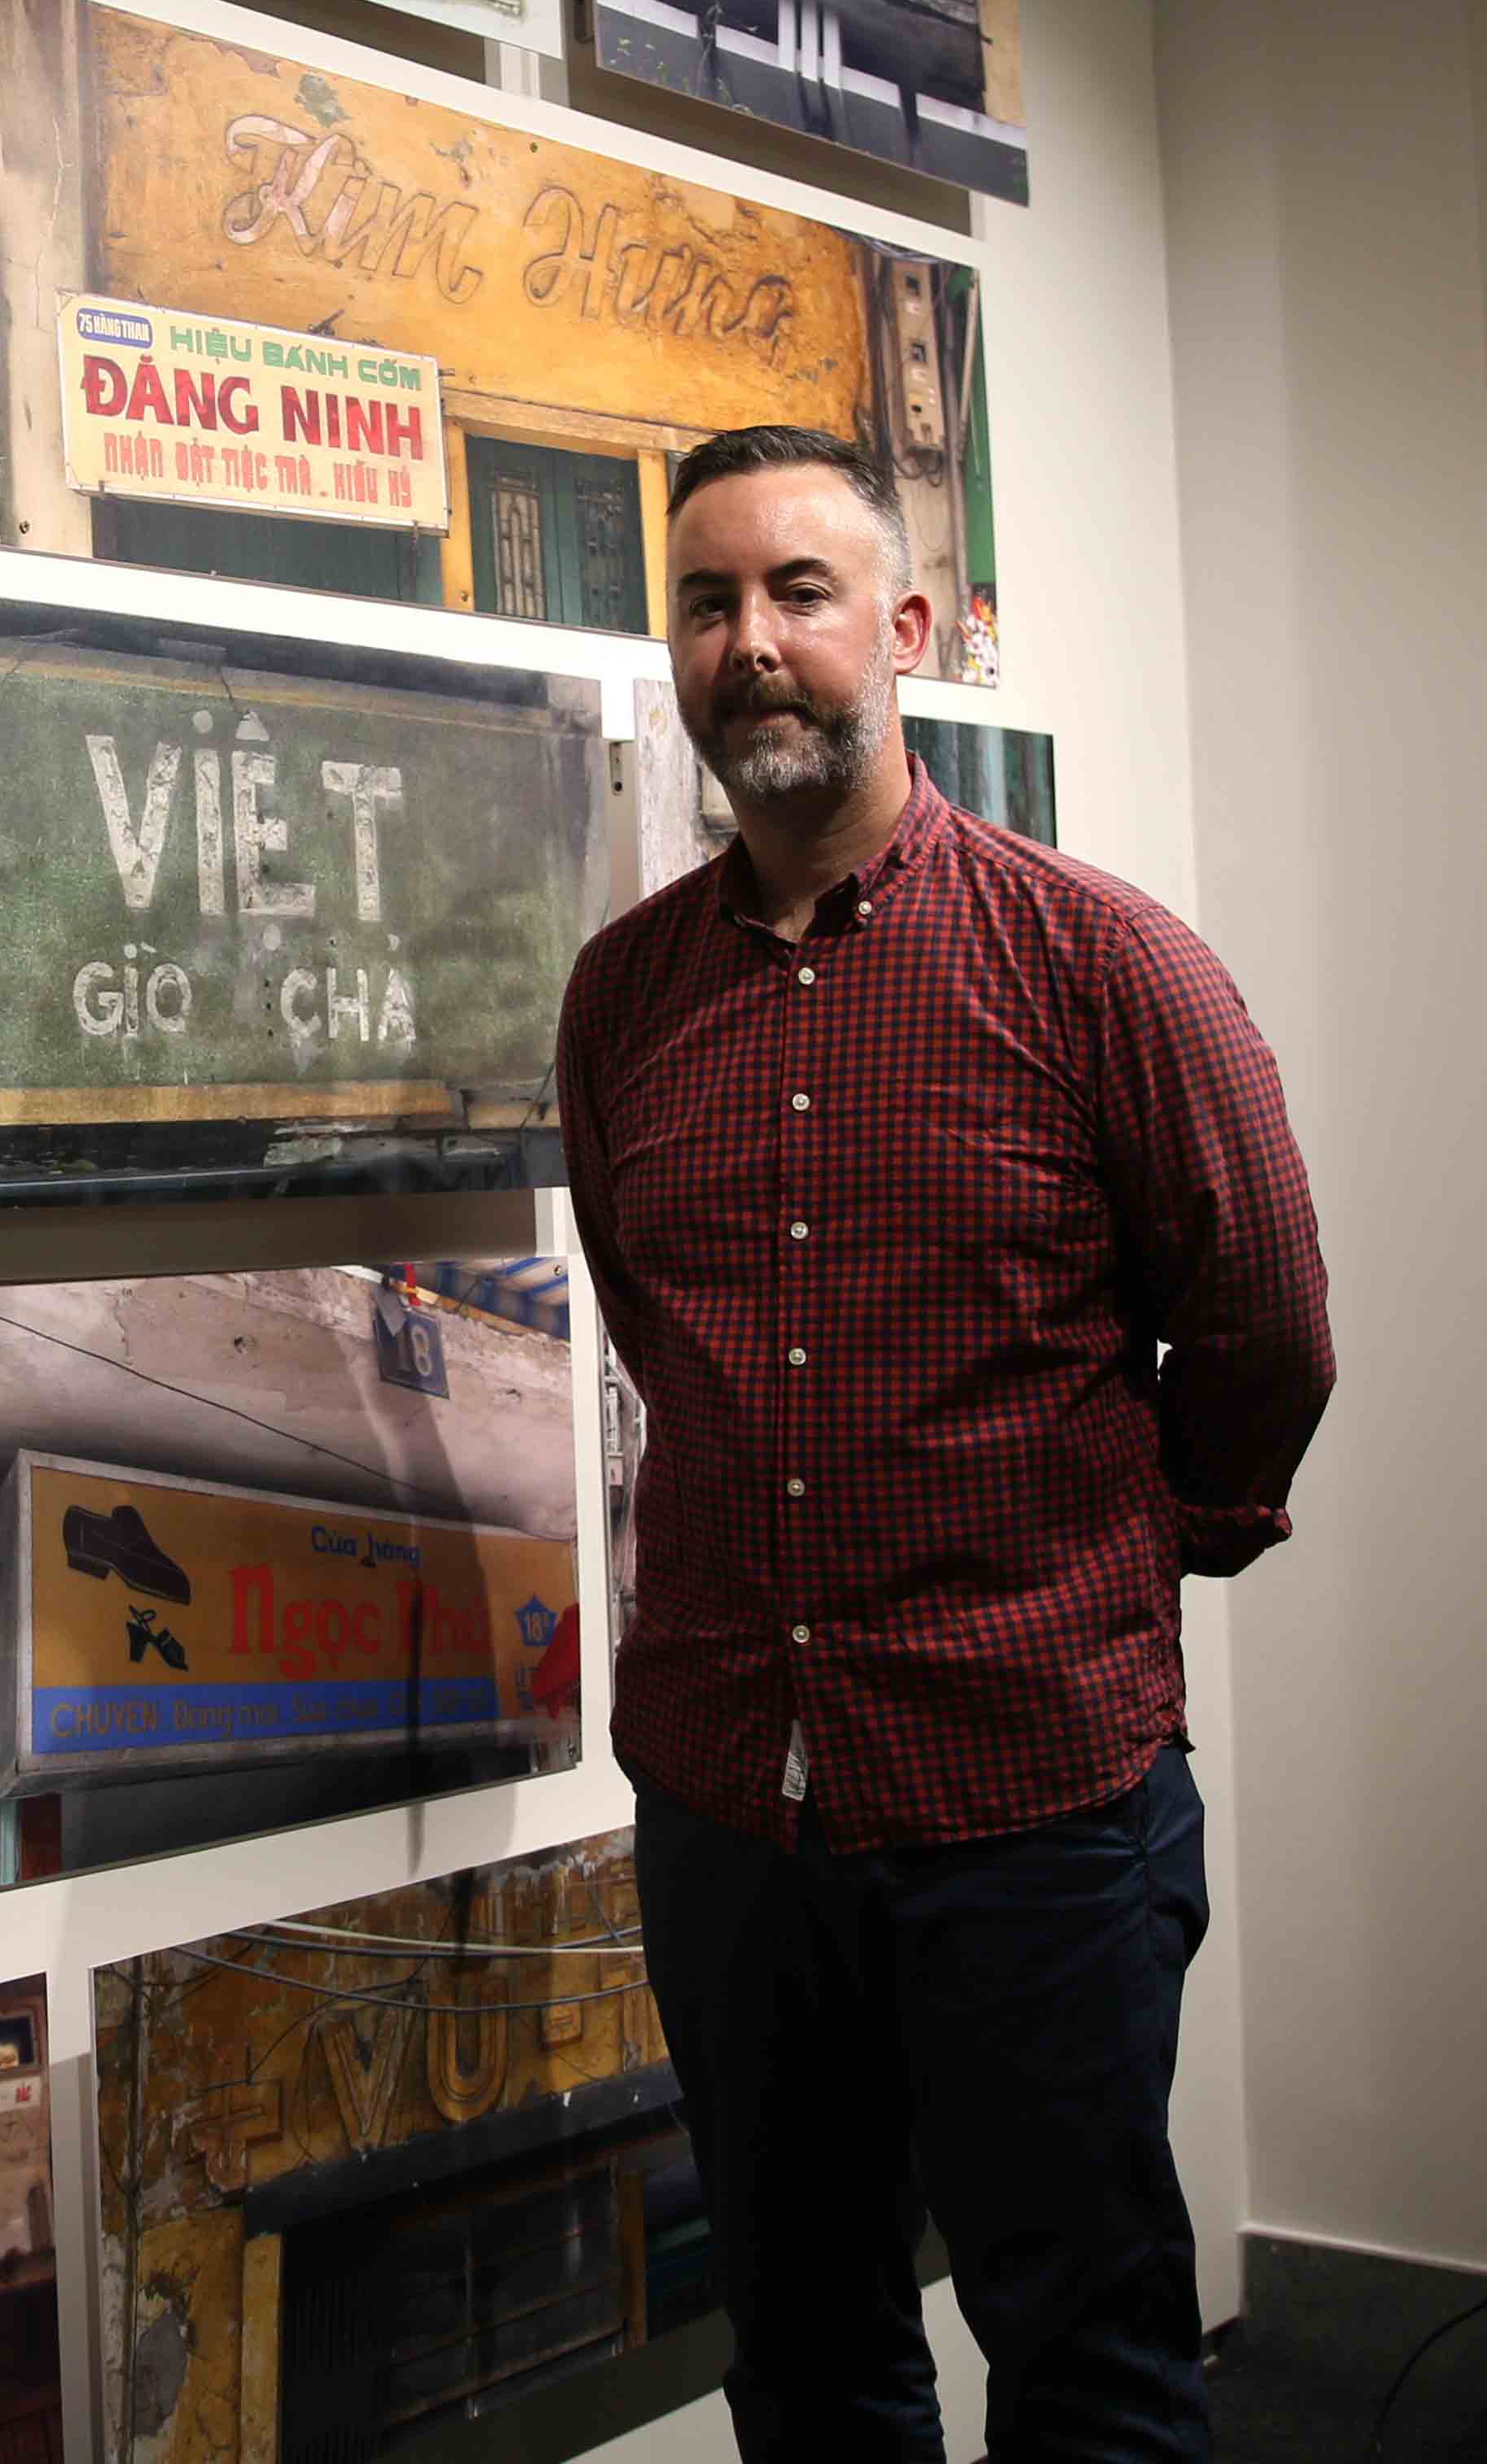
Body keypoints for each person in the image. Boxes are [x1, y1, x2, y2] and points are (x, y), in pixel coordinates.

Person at [558, 425, 1332, 2462]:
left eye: (800, 593)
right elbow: (659, 1326)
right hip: (737, 1802)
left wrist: (1115, 1556)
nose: (754, 646)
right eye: (708, 603)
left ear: (906, 628)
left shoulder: (1104, 967)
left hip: (1033, 1802)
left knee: (1085, 2364)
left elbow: (1265, 1329)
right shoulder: (622, 1000)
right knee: (810, 2363)